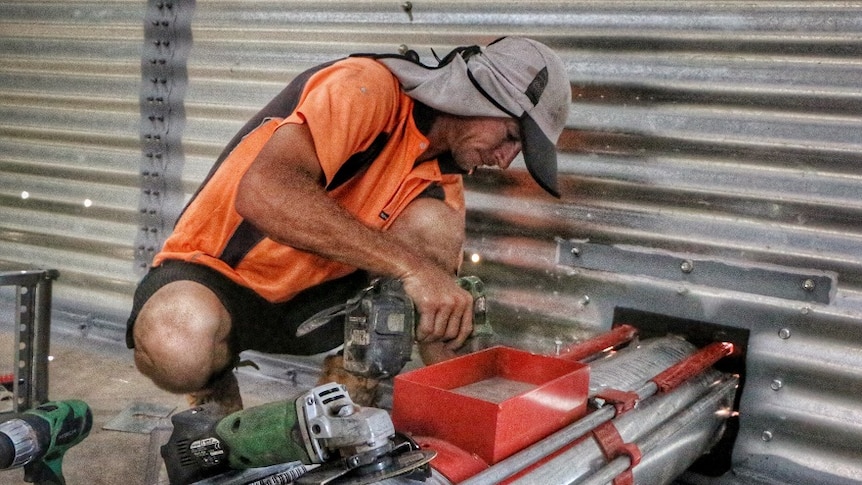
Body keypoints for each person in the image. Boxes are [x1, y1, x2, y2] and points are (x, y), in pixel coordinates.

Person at [126, 36, 571, 412]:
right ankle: (215, 397)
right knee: (176, 342)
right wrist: (413, 269)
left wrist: (470, 407)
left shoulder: (445, 179)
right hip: (222, 275)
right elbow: (264, 193)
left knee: (434, 223)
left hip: (319, 303)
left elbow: (438, 313)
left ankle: (348, 398)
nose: (505, 158)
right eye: (511, 136)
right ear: (479, 94)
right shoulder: (365, 87)